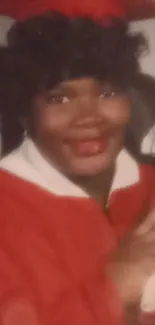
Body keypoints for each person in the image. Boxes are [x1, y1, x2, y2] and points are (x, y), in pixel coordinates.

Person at [1, 10, 155, 325]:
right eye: (59, 99)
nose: (89, 118)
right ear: (24, 114)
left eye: (108, 92)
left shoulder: (149, 183)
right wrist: (116, 287)